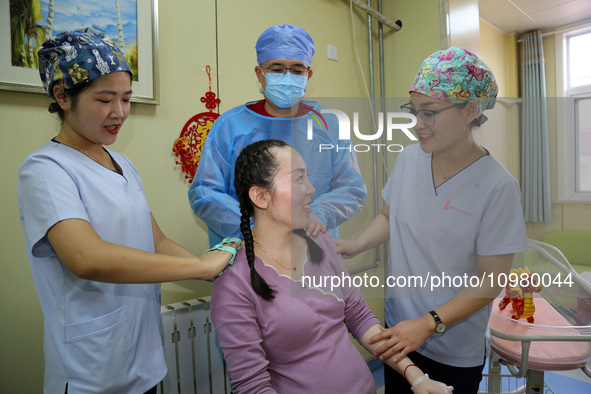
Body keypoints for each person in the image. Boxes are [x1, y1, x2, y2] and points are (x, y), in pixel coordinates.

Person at [17, 27, 239, 394]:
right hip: (92, 370)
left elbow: (156, 241)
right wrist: (202, 265)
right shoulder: (45, 169)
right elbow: (86, 257)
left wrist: (214, 272)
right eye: (104, 100)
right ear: (63, 97)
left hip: (144, 359)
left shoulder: (120, 162)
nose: (119, 113)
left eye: (126, 98)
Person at [335, 47, 529, 393]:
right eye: (414, 112)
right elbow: (388, 214)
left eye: (430, 113)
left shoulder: (497, 186)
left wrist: (430, 323)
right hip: (399, 329)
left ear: (470, 110)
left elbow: (491, 279)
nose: (418, 125)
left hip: (452, 348)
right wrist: (356, 244)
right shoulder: (409, 159)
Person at [210, 139, 453, 394]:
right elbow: (253, 386)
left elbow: (359, 317)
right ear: (260, 196)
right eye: (298, 179)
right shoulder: (234, 281)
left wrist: (416, 378)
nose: (311, 189)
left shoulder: (318, 240)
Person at [188, 24, 367, 247]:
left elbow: (351, 187)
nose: (287, 76)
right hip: (248, 248)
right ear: (259, 73)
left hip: (312, 246)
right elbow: (205, 192)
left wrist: (317, 216)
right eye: (277, 68)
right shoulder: (230, 126)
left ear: (308, 75)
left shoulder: (328, 124)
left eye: (297, 69)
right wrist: (255, 228)